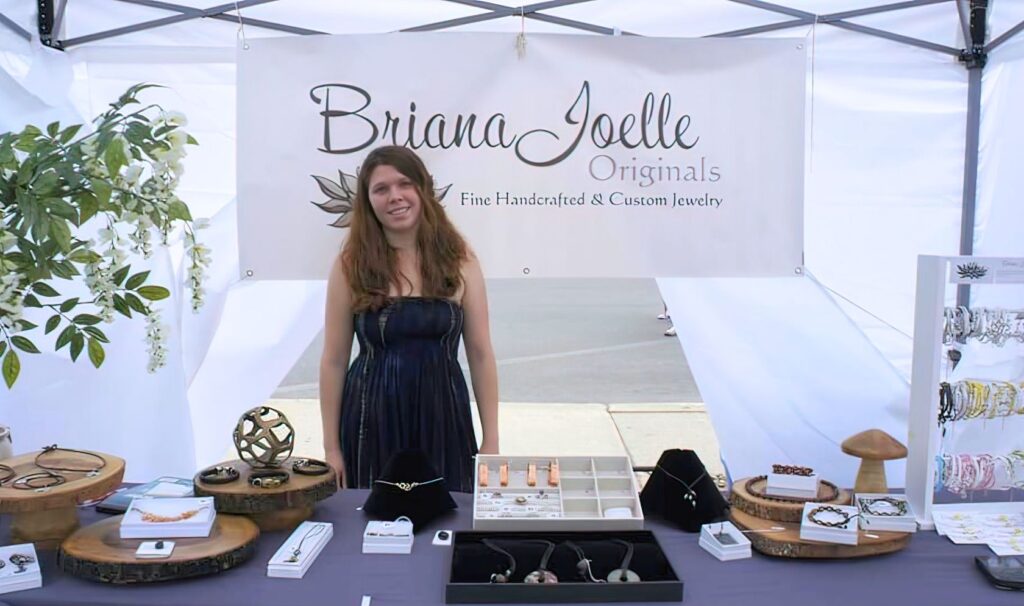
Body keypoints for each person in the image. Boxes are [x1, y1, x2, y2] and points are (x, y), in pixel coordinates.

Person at [319, 146, 499, 492]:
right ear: (368, 201)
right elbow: (334, 360)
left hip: (443, 414)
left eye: (404, 184)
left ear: (423, 188)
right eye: (381, 189)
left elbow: (480, 354)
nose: (395, 196)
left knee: (447, 515)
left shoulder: (460, 260)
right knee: (372, 517)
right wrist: (332, 449)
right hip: (370, 418)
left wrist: (491, 440)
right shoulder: (350, 265)